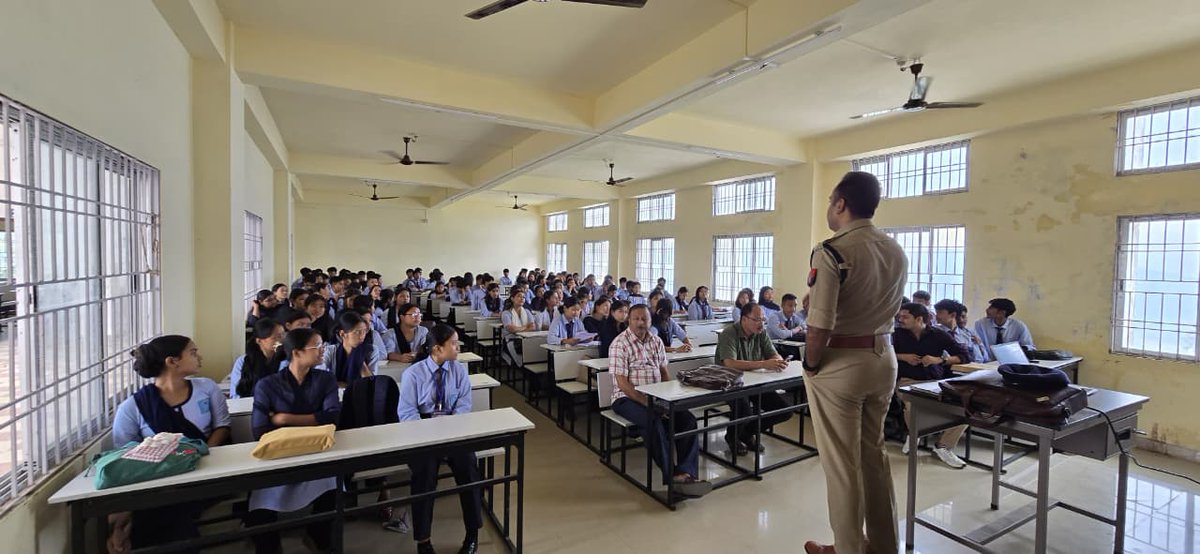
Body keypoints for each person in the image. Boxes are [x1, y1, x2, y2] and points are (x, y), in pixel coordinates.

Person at [801, 171, 907, 554]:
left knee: (843, 468)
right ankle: (882, 545)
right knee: (874, 457)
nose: (830, 208)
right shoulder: (894, 248)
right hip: (884, 358)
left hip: (842, 363)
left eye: (831, 201)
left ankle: (847, 548)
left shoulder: (832, 251)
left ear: (841, 204)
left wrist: (811, 365)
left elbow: (819, 326)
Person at [108, 336, 230, 553]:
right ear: (172, 361)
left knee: (165, 508)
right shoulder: (133, 407)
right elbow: (126, 455)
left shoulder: (207, 388)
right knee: (167, 506)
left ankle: (128, 531)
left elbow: (222, 427)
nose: (199, 357)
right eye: (193, 352)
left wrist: (201, 455)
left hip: (208, 470)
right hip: (160, 477)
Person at [248, 328, 341, 554]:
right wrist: (313, 422)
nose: (323, 351)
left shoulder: (325, 379)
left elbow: (332, 417)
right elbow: (260, 429)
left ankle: (318, 538)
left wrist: (284, 418)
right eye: (317, 347)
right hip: (279, 453)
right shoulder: (268, 385)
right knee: (261, 499)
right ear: (297, 353)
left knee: (332, 488)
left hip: (316, 451)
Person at [609, 304, 712, 499]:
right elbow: (622, 383)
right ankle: (674, 477)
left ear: (650, 321)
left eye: (644, 319)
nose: (641, 323)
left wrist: (670, 398)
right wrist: (645, 402)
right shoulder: (619, 344)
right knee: (653, 422)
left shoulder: (656, 341)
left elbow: (664, 373)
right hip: (626, 398)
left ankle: (686, 472)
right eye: (636, 319)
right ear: (629, 321)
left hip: (657, 396)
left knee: (688, 420)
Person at [397, 325, 482, 554]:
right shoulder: (413, 374)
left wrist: (451, 427)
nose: (458, 347)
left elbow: (464, 404)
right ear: (437, 349)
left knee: (469, 469)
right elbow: (406, 412)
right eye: (453, 343)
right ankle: (423, 540)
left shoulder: (459, 370)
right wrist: (428, 433)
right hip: (423, 431)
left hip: (453, 428)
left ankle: (472, 534)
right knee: (424, 476)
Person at [893, 302, 971, 469]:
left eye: (905, 317)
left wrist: (940, 360)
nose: (900, 319)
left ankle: (944, 446)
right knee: (912, 405)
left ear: (919, 319)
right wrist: (903, 357)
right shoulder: (896, 334)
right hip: (907, 381)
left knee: (964, 408)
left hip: (934, 381)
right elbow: (884, 353)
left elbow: (964, 355)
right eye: (900, 316)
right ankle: (915, 434)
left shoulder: (938, 335)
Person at [714, 303, 793, 455]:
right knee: (744, 410)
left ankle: (747, 432)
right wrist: (764, 363)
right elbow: (729, 363)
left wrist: (777, 361)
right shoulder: (729, 333)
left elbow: (773, 353)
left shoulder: (761, 333)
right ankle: (732, 437)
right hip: (730, 383)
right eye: (757, 320)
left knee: (784, 410)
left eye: (763, 319)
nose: (761, 323)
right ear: (744, 319)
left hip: (754, 382)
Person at [321, 311, 380, 387]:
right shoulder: (330, 351)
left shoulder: (371, 350)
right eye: (357, 332)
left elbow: (370, 383)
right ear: (342, 334)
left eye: (364, 331)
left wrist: (359, 359)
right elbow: (322, 380)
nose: (362, 336)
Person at [228, 319, 285, 399]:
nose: (281, 340)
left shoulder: (286, 360)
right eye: (276, 337)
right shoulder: (243, 361)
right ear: (259, 341)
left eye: (283, 335)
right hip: (247, 407)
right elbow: (235, 394)